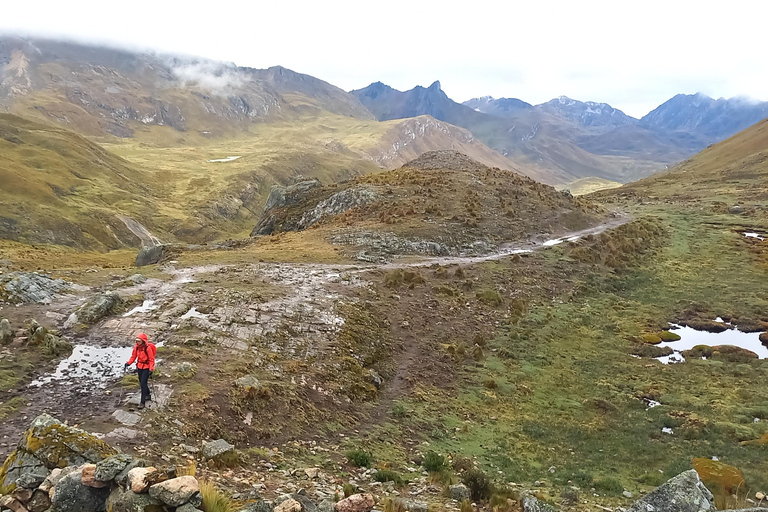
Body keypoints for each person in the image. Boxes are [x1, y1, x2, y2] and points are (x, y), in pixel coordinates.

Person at [124, 332, 156, 409]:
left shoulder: (147, 348)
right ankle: (148, 395)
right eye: (137, 340)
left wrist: (151, 369)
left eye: (139, 341)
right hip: (139, 367)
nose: (137, 342)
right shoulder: (136, 347)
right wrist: (128, 363)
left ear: (143, 341)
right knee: (142, 383)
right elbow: (133, 356)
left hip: (146, 367)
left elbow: (151, 359)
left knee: (143, 384)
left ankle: (142, 402)